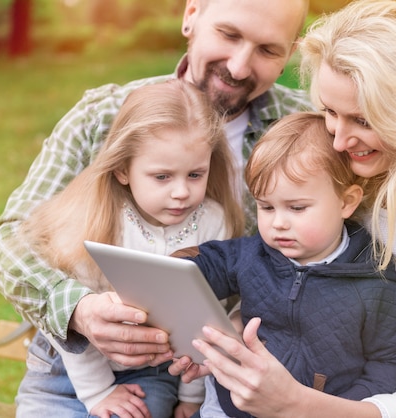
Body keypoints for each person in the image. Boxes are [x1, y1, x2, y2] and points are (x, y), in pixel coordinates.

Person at [0, 0, 396, 413]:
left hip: (210, 379)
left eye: (266, 49)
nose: (240, 66)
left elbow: (384, 212)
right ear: (192, 16)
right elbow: (6, 238)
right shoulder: (108, 116)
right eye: (230, 35)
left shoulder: (305, 128)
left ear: (287, 53)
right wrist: (76, 309)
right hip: (90, 373)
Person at [167, 1, 396, 416]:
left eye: (362, 120)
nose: (340, 141)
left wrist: (291, 402)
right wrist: (224, 343)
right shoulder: (329, 178)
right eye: (329, 111)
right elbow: (274, 269)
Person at [13, 80, 244, 417]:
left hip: (148, 373)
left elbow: (204, 320)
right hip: (64, 369)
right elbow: (73, 328)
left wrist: (191, 396)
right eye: (162, 177)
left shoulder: (214, 223)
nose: (181, 191)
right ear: (123, 169)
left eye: (195, 174)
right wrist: (98, 394)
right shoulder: (95, 220)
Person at [173, 112, 396, 418]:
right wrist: (167, 268)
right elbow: (209, 264)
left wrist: (335, 408)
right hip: (233, 404)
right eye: (266, 207)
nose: (278, 223)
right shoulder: (255, 254)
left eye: (297, 208)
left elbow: (387, 365)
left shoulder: (374, 280)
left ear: (346, 202)